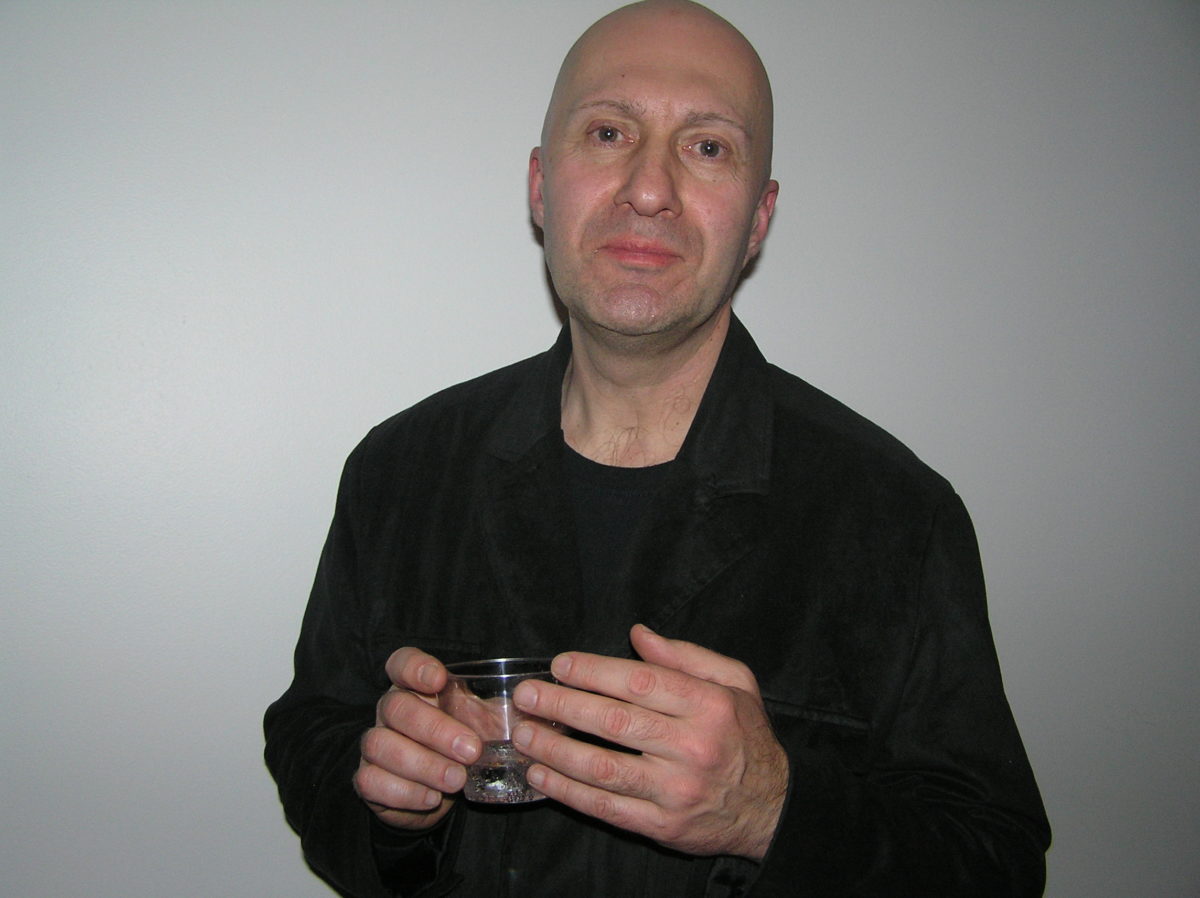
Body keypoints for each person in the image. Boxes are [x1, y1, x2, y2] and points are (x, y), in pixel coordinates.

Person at [263, 1, 1051, 895]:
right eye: (608, 133)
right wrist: (393, 808)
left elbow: (994, 863)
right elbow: (314, 736)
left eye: (707, 147)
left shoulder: (897, 518)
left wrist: (772, 808)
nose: (649, 189)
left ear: (759, 218)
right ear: (540, 186)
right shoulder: (399, 473)